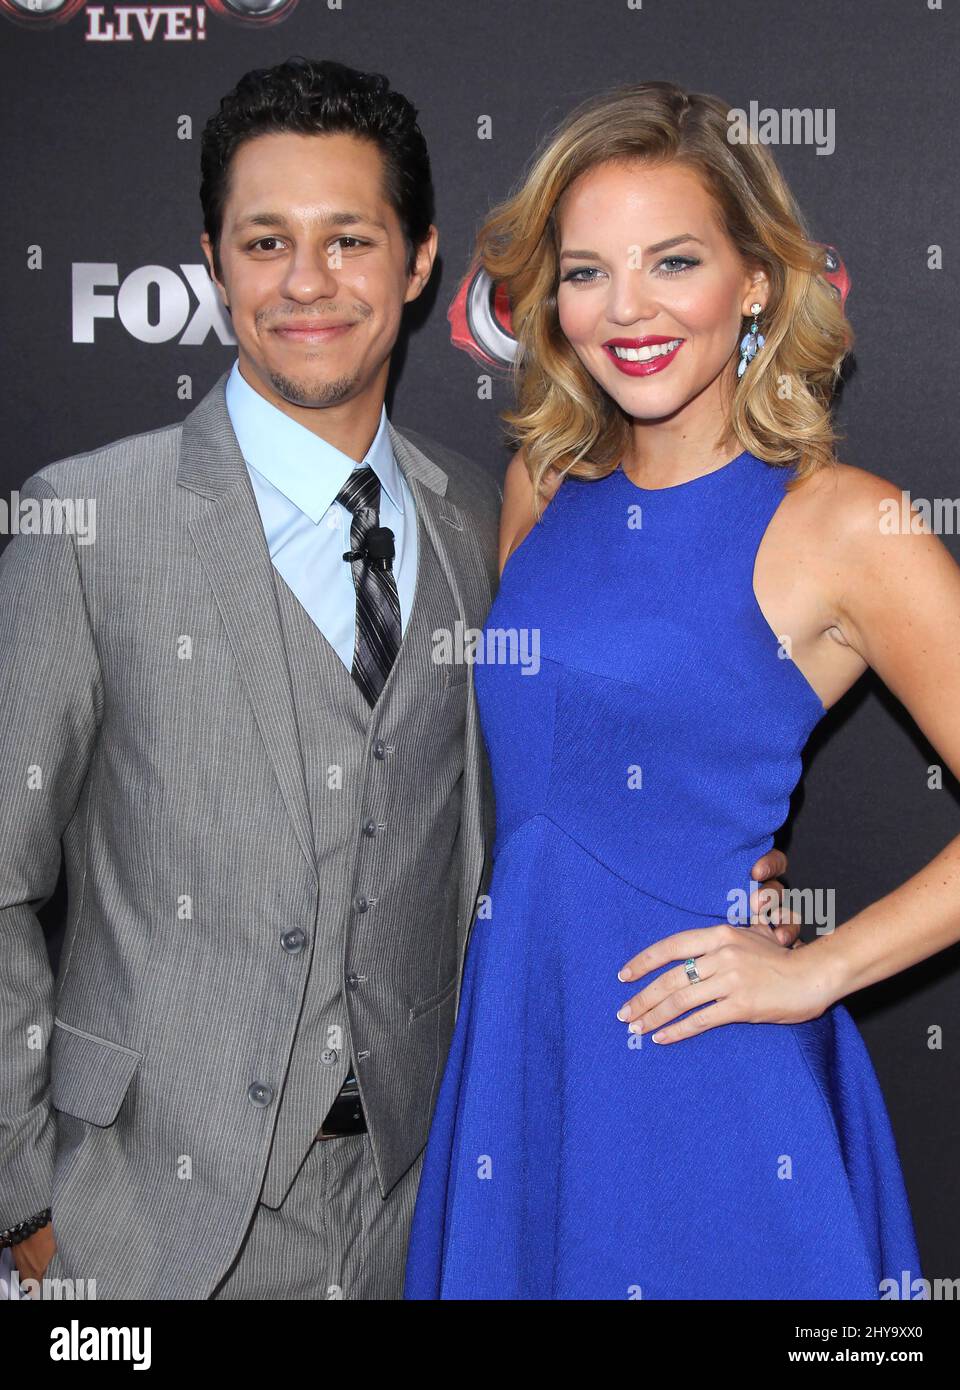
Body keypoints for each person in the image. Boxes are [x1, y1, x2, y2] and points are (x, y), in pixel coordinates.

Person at [0, 60, 797, 1301]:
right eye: (266, 241)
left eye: (348, 239)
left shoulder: (488, 518)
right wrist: (29, 1204)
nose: (306, 282)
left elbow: (544, 784)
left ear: (419, 262)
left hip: (425, 1212)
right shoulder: (87, 521)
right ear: (214, 262)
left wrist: (703, 862)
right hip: (133, 1231)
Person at [404, 80, 960, 1300]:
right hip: (528, 1053)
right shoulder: (543, 486)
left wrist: (818, 967)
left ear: (757, 279)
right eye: (587, 271)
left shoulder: (847, 523)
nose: (630, 309)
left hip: (709, 1073)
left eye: (673, 261)